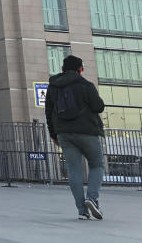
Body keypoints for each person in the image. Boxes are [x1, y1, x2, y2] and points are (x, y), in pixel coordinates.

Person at [45, 55, 106, 220]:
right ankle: (92, 198)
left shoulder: (53, 87)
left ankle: (82, 210)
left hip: (64, 133)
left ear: (62, 69)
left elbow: (49, 113)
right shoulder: (86, 85)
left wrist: (54, 135)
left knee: (74, 170)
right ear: (80, 69)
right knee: (97, 165)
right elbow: (99, 107)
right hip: (88, 132)